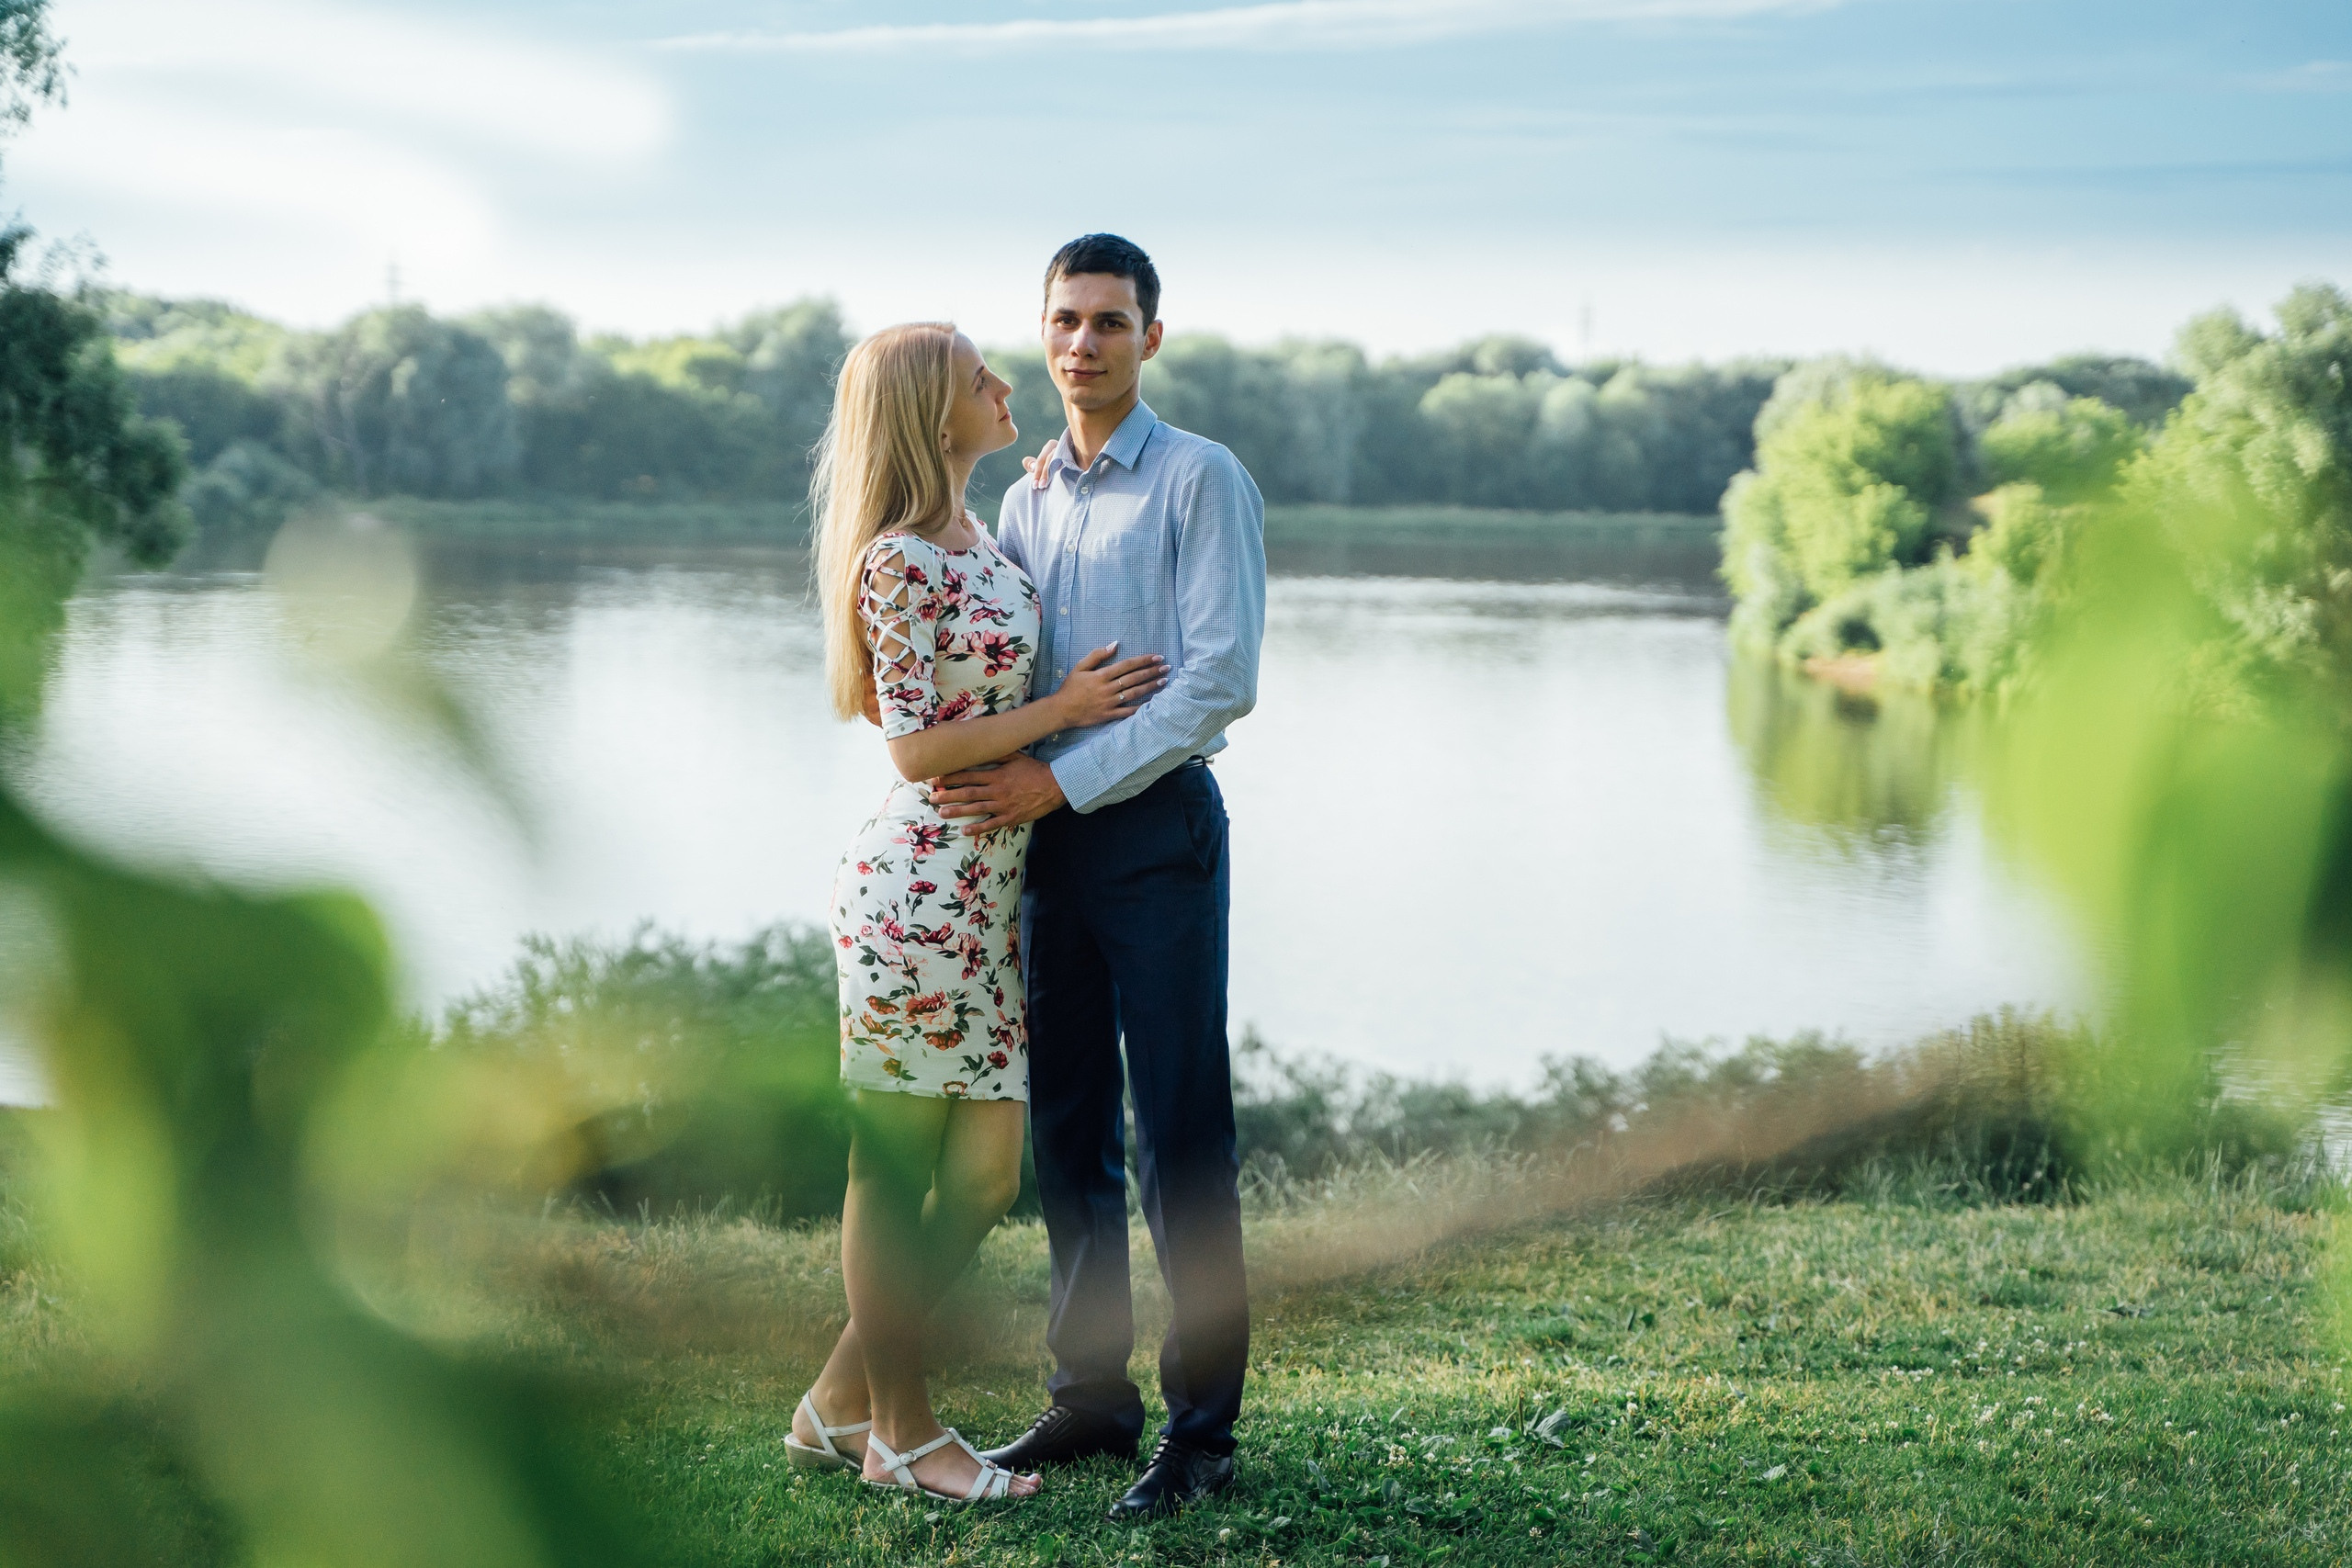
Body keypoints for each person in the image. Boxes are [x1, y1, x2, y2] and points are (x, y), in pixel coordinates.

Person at [789, 321, 1170, 1506]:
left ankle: (836, 1399)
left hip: (988, 891)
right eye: (979, 377)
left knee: (985, 1181)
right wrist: (1062, 706)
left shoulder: (985, 534)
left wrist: (1055, 483)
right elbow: (913, 749)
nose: (1012, 382)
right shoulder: (895, 559)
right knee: (892, 1166)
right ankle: (902, 1432)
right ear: (925, 410)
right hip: (917, 890)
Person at [932, 234, 1268, 1523]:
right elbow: (1015, 669)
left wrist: (1059, 780)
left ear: (1151, 339)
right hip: (1044, 844)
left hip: (1152, 834)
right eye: (1066, 321)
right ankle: (1090, 1398)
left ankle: (1202, 1434)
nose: (1084, 343)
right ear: (1045, 332)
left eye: (1111, 323)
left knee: (1177, 1131)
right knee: (1068, 1126)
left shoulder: (1199, 479)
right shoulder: (1027, 499)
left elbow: (1219, 680)